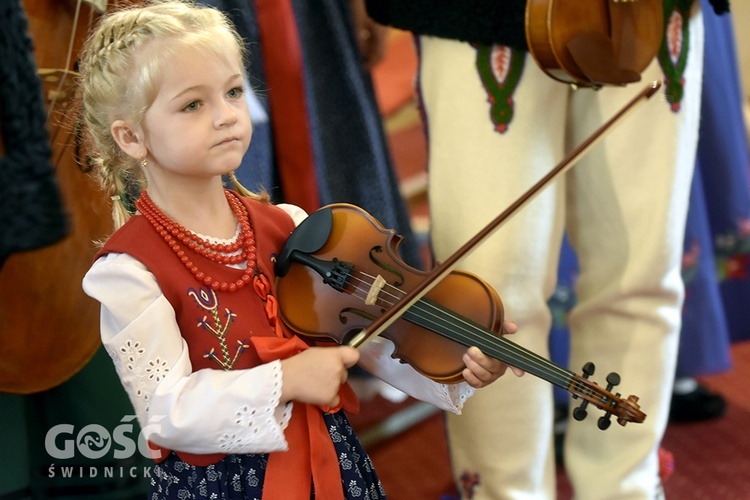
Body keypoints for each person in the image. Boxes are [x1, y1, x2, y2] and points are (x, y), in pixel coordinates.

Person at [78, 2, 520, 498]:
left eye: (233, 92)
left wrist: (460, 358)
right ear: (131, 137)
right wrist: (285, 379)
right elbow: (166, 411)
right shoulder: (128, 271)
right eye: (193, 105)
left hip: (331, 467)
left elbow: (372, 343)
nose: (227, 116)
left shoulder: (291, 226)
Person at [365, 0, 728, 498]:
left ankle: (626, 488)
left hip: (645, 13)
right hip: (483, 16)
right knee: (486, 306)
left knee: (640, 276)